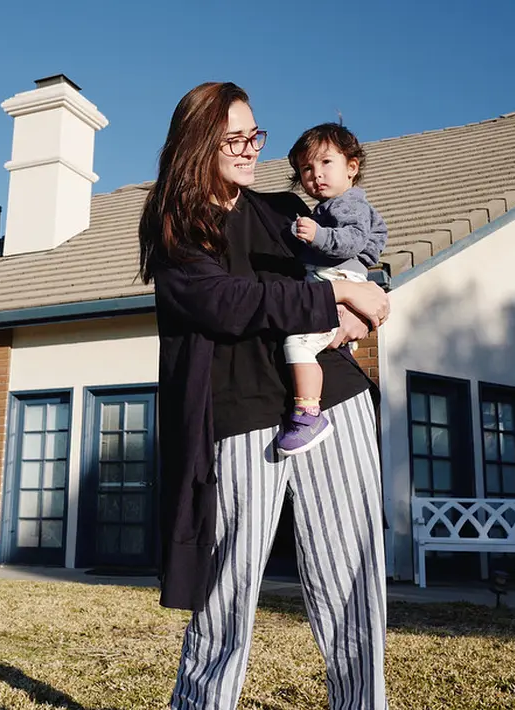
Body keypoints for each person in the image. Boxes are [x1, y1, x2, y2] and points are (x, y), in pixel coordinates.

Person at [138, 81, 392, 710]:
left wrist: (364, 302)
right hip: (238, 415)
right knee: (226, 594)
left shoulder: (284, 213)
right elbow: (225, 302)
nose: (252, 150)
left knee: (352, 583)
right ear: (198, 144)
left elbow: (359, 265)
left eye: (256, 136)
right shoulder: (177, 227)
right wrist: (333, 298)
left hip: (333, 404)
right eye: (235, 139)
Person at [276, 123, 389, 456]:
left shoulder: (347, 205)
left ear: (351, 167)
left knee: (297, 344)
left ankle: (309, 413)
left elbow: (351, 242)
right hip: (333, 281)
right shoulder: (327, 209)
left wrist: (316, 236)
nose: (316, 175)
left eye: (326, 163)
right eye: (307, 169)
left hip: (339, 280)